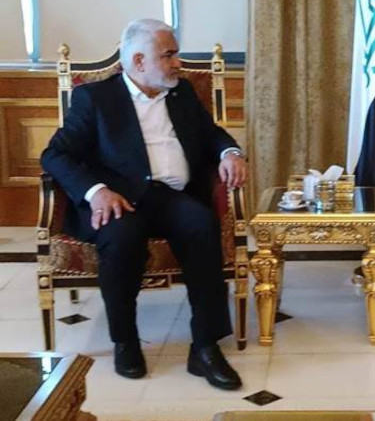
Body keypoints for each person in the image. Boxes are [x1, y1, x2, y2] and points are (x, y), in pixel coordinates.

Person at [41, 19, 247, 390]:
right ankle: (126, 341)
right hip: (119, 198)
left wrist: (230, 152)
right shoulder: (95, 98)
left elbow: (212, 133)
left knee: (203, 226)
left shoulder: (181, 93)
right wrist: (96, 192)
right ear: (139, 61)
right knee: (121, 240)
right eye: (169, 55)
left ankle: (205, 346)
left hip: (171, 196)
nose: (178, 63)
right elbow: (55, 155)